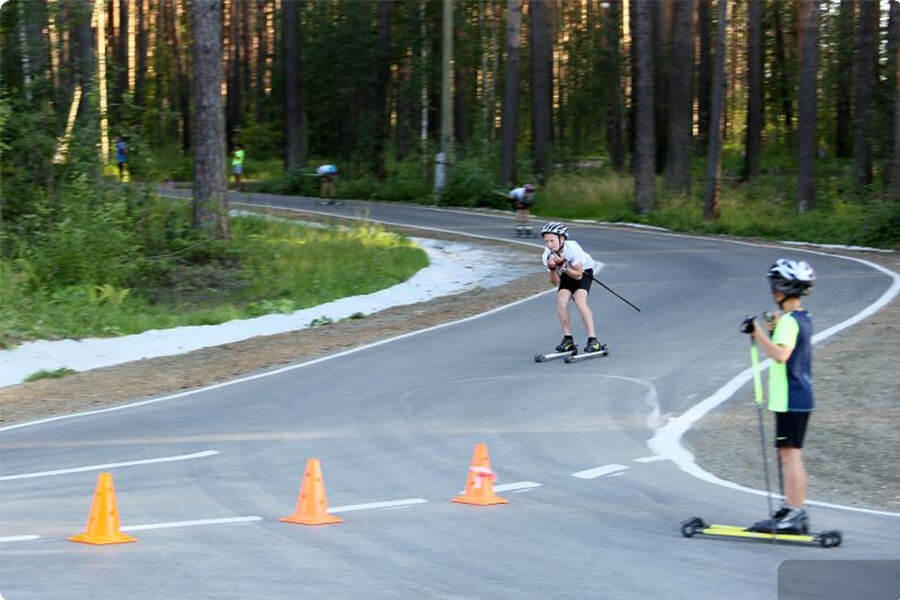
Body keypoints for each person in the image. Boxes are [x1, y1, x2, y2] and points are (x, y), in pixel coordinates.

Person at [745, 258, 816, 534]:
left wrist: (758, 332)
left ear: (783, 289)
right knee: (788, 454)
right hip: (796, 396)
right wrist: (773, 330)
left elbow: (780, 356)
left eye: (775, 286)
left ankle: (796, 512)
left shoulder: (789, 322)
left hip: (791, 397)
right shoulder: (802, 318)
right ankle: (791, 508)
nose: (773, 291)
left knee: (791, 456)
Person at [540, 222, 605, 354]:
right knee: (561, 300)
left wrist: (563, 266)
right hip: (567, 274)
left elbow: (578, 276)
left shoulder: (573, 248)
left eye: (552, 240)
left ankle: (593, 340)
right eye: (546, 241)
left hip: (583, 272)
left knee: (580, 300)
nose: (549, 245)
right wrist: (552, 269)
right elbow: (555, 282)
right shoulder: (546, 254)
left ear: (562, 239)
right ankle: (568, 339)